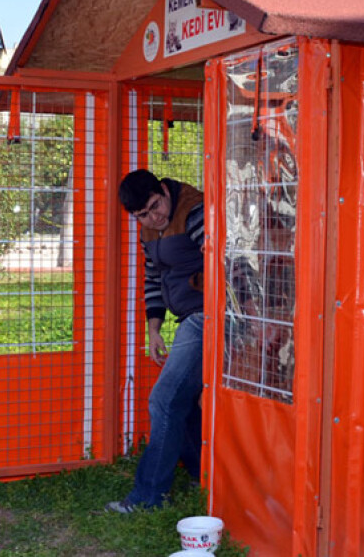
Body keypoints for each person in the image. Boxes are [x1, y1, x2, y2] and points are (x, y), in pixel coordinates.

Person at [107, 169, 206, 513]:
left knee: (164, 401)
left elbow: (231, 263)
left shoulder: (195, 212)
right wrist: (154, 329)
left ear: (163, 190)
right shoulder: (147, 228)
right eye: (141, 216)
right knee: (183, 400)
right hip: (187, 319)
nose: (153, 218)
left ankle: (148, 498)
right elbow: (154, 276)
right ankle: (201, 474)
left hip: (207, 317)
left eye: (154, 207)